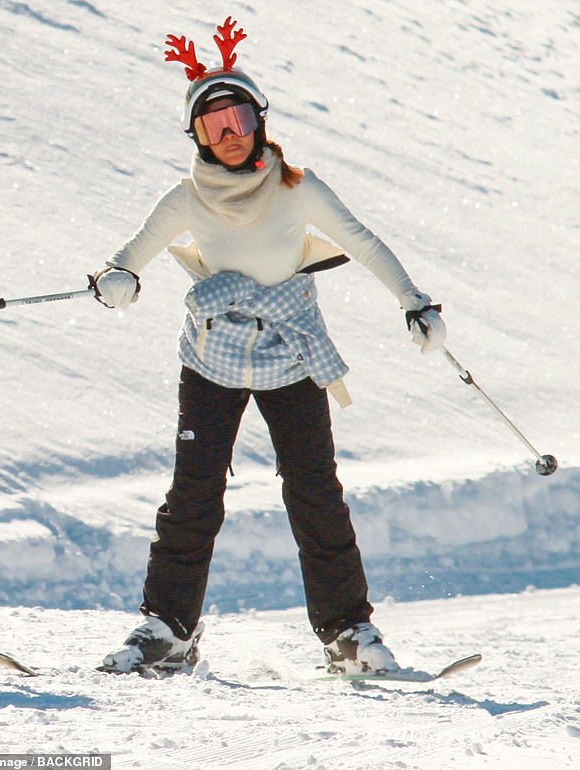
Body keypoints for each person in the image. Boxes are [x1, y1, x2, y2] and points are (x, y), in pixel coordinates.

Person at [92, 17, 446, 675]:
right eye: (211, 127)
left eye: (238, 120)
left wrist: (415, 303)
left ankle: (349, 634)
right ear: (195, 138)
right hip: (212, 360)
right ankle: (168, 632)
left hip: (290, 358)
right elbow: (128, 261)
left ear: (260, 121)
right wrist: (116, 280)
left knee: (314, 493)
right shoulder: (187, 198)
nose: (228, 136)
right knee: (193, 494)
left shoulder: (296, 186)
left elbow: (363, 241)